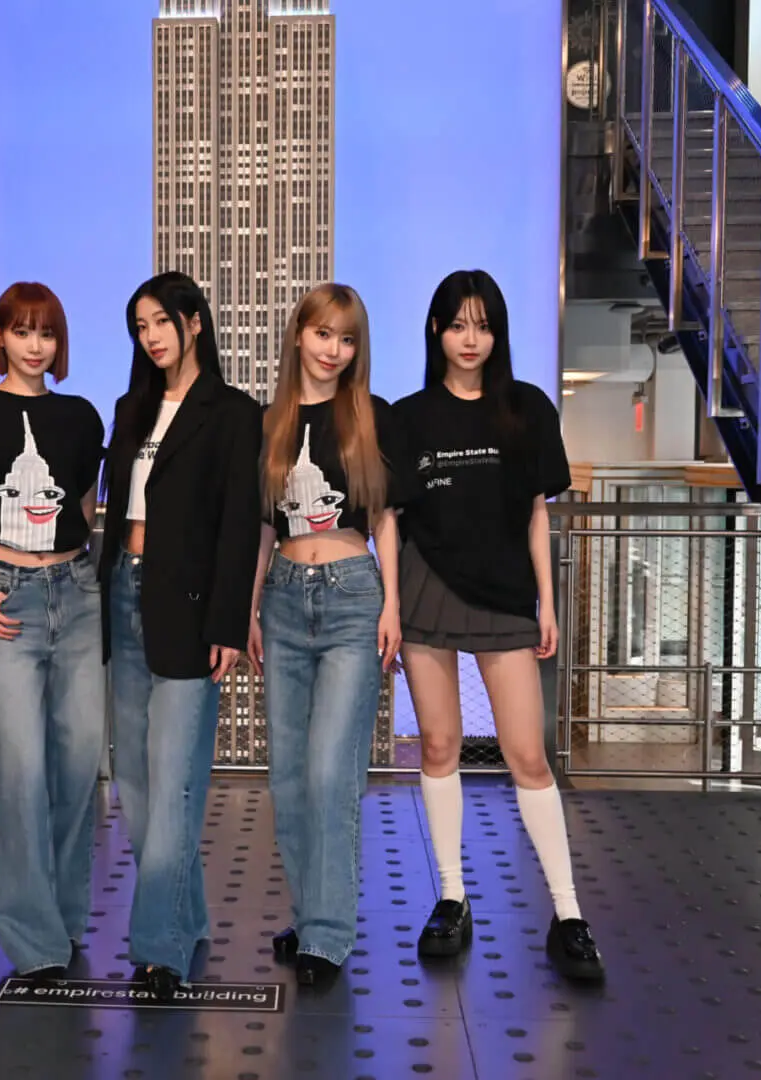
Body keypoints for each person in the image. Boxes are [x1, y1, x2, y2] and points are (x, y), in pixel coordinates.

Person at [394, 269, 604, 981]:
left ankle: (568, 913)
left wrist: (545, 601)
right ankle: (451, 897)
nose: (469, 338)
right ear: (435, 330)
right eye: (457, 324)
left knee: (526, 755)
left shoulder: (527, 409)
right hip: (426, 588)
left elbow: (536, 513)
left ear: (497, 333)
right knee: (438, 744)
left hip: (508, 593)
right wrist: (390, 606)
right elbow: (390, 519)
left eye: (482, 325)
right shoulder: (409, 416)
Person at [99, 271, 262, 1001]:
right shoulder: (129, 408)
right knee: (135, 784)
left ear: (194, 321)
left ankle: (158, 946)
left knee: (173, 785)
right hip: (123, 597)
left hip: (190, 612)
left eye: (162, 320)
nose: (152, 336)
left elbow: (238, 524)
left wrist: (229, 619)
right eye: (140, 326)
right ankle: (187, 918)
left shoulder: (232, 413)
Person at [246, 283, 412, 986]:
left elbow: (385, 521)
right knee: (287, 778)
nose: (333, 351)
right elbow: (263, 526)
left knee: (328, 772)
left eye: (346, 340)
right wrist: (250, 609)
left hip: (351, 598)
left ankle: (327, 932)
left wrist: (391, 606)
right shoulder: (270, 423)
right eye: (322, 335)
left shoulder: (368, 416)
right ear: (297, 336)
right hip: (282, 600)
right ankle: (312, 911)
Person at [0, 282, 106, 981]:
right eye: (21, 331)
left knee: (77, 767)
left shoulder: (80, 416)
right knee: (19, 768)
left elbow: (87, 505)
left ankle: (66, 916)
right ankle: (30, 934)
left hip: (76, 593)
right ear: (1, 338)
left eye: (45, 333)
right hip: (4, 595)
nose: (34, 345)